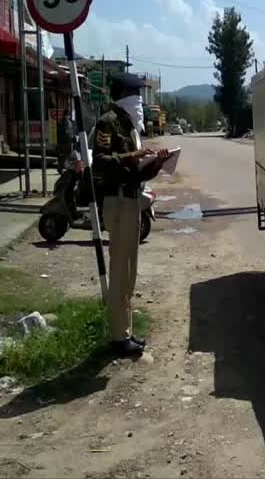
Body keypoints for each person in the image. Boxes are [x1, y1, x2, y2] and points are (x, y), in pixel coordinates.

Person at [92, 73, 169, 356]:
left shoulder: (130, 126)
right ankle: (118, 336)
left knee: (130, 272)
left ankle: (125, 331)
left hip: (132, 201)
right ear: (123, 93)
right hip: (118, 202)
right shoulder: (108, 122)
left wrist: (157, 163)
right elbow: (99, 162)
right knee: (120, 271)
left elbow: (135, 173)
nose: (140, 99)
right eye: (136, 93)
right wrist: (133, 157)